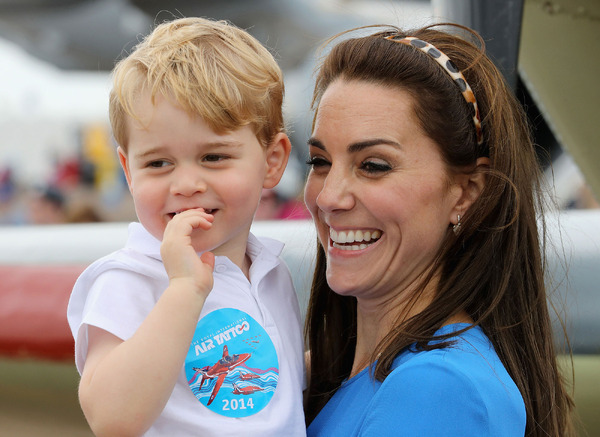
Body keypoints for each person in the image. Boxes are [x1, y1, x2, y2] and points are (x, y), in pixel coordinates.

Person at [303, 23, 574, 437]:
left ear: (466, 192)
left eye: (373, 165)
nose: (328, 197)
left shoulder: (436, 388)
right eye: (320, 162)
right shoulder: (374, 376)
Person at [67, 17, 306, 436]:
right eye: (158, 163)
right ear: (128, 169)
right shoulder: (130, 278)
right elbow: (111, 417)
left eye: (214, 157)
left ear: (272, 162)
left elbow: (273, 397)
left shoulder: (270, 270)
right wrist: (184, 289)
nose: (187, 185)